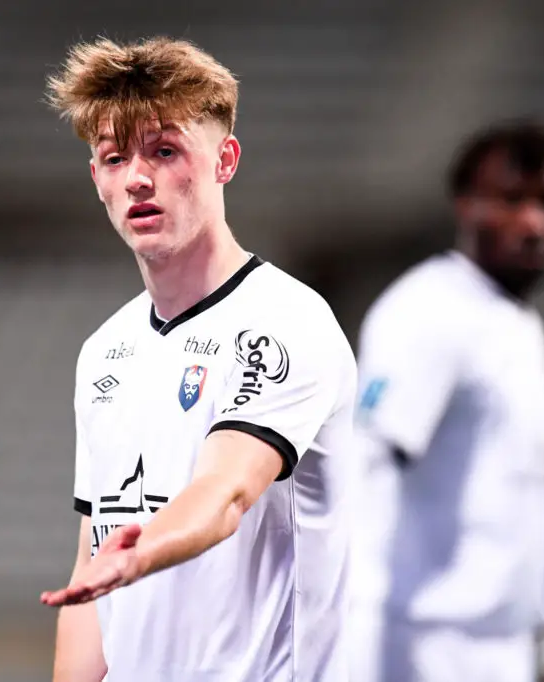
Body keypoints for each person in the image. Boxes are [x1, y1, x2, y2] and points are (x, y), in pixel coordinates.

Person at [39, 36, 359, 682]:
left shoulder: (286, 322)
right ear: (96, 178)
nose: (138, 178)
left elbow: (226, 490)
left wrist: (143, 552)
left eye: (164, 151)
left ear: (224, 160)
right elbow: (91, 569)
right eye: (114, 157)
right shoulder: (104, 353)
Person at [347, 119, 544, 682]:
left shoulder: (515, 323)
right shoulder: (428, 310)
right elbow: (362, 472)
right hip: (421, 647)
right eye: (511, 199)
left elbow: (509, 501)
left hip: (501, 650)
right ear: (466, 205)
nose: (533, 222)